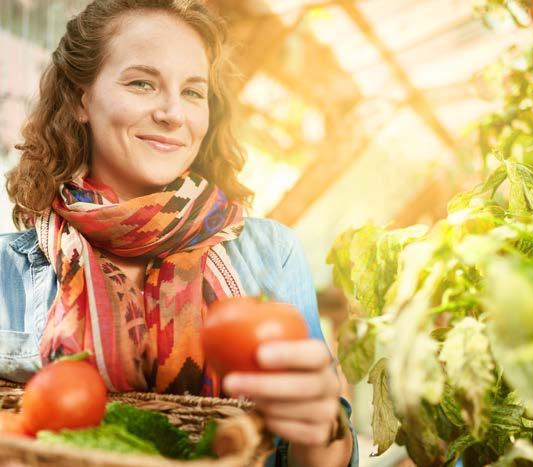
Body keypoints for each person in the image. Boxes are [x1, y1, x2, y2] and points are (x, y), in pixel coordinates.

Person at [0, 1, 357, 466]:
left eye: (192, 92)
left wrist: (316, 427)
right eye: (142, 83)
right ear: (79, 99)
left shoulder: (272, 253)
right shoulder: (8, 270)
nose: (172, 113)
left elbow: (326, 454)